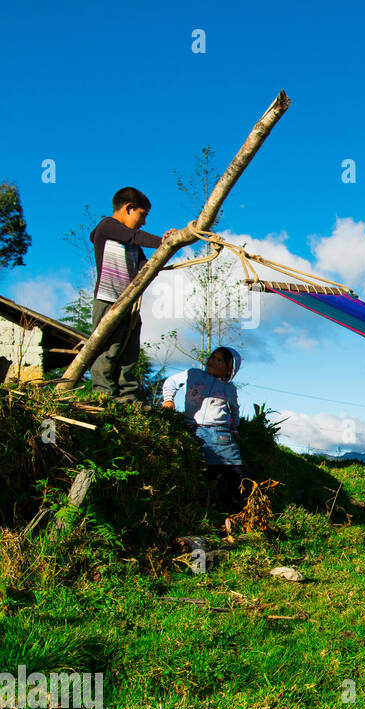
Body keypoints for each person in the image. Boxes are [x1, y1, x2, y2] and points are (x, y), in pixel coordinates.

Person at [89, 187, 190, 401]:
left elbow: (147, 266)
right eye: (142, 215)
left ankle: (127, 396)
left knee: (129, 349)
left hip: (130, 304)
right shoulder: (107, 227)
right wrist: (161, 242)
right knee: (107, 348)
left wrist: (166, 248)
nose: (143, 221)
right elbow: (134, 235)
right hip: (108, 299)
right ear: (128, 208)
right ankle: (104, 394)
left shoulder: (132, 244)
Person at [161, 347, 245, 508]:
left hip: (222, 433)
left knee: (235, 472)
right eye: (212, 357)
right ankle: (200, 506)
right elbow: (170, 382)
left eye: (219, 360)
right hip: (196, 430)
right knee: (202, 470)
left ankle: (238, 510)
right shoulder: (193, 375)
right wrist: (168, 399)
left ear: (229, 369)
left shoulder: (229, 388)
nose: (212, 360)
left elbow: (234, 410)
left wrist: (236, 429)